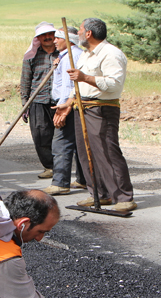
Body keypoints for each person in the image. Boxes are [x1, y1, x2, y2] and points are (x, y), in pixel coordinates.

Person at [53, 18, 136, 212]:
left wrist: (85, 77)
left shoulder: (111, 54)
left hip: (102, 108)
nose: (79, 33)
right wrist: (68, 103)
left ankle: (123, 197)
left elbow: (114, 84)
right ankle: (100, 194)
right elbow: (79, 85)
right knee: (85, 152)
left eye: (81, 30)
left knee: (107, 151)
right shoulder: (85, 55)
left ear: (89, 33)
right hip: (82, 107)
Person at [43, 25, 87, 196]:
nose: (54, 41)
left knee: (61, 143)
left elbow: (70, 85)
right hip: (70, 102)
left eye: (58, 38)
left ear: (68, 40)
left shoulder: (71, 56)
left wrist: (65, 107)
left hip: (67, 104)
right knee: (77, 143)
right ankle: (83, 180)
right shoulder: (67, 56)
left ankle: (61, 183)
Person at [21, 21, 59, 179]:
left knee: (61, 136)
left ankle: (63, 166)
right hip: (38, 100)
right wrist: (25, 103)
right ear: (38, 38)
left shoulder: (62, 53)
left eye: (51, 34)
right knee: (40, 135)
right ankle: (50, 167)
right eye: (44, 35)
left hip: (60, 100)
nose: (48, 37)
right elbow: (25, 80)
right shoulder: (31, 56)